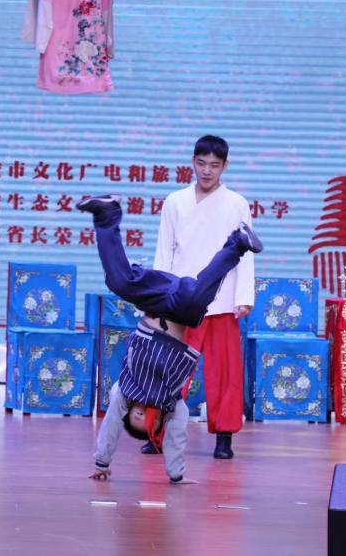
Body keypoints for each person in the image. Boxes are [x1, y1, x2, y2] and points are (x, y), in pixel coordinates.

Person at [76, 195, 261, 482]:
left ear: (128, 412)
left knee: (119, 282)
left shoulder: (123, 393)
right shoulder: (173, 405)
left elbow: (111, 427)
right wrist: (176, 475)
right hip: (181, 308)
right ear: (158, 421)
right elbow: (176, 441)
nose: (142, 414)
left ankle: (106, 214)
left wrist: (102, 462)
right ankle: (236, 244)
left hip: (155, 299)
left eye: (135, 417)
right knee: (198, 298)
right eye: (146, 420)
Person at [153, 135, 255, 459]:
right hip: (183, 298)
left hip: (222, 299)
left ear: (225, 166)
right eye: (201, 163)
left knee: (224, 372)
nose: (207, 171)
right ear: (193, 162)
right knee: (170, 367)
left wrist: (244, 295)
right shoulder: (175, 201)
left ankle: (224, 437)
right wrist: (159, 295)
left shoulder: (237, 203)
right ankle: (155, 432)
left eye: (214, 165)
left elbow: (246, 253)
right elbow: (164, 250)